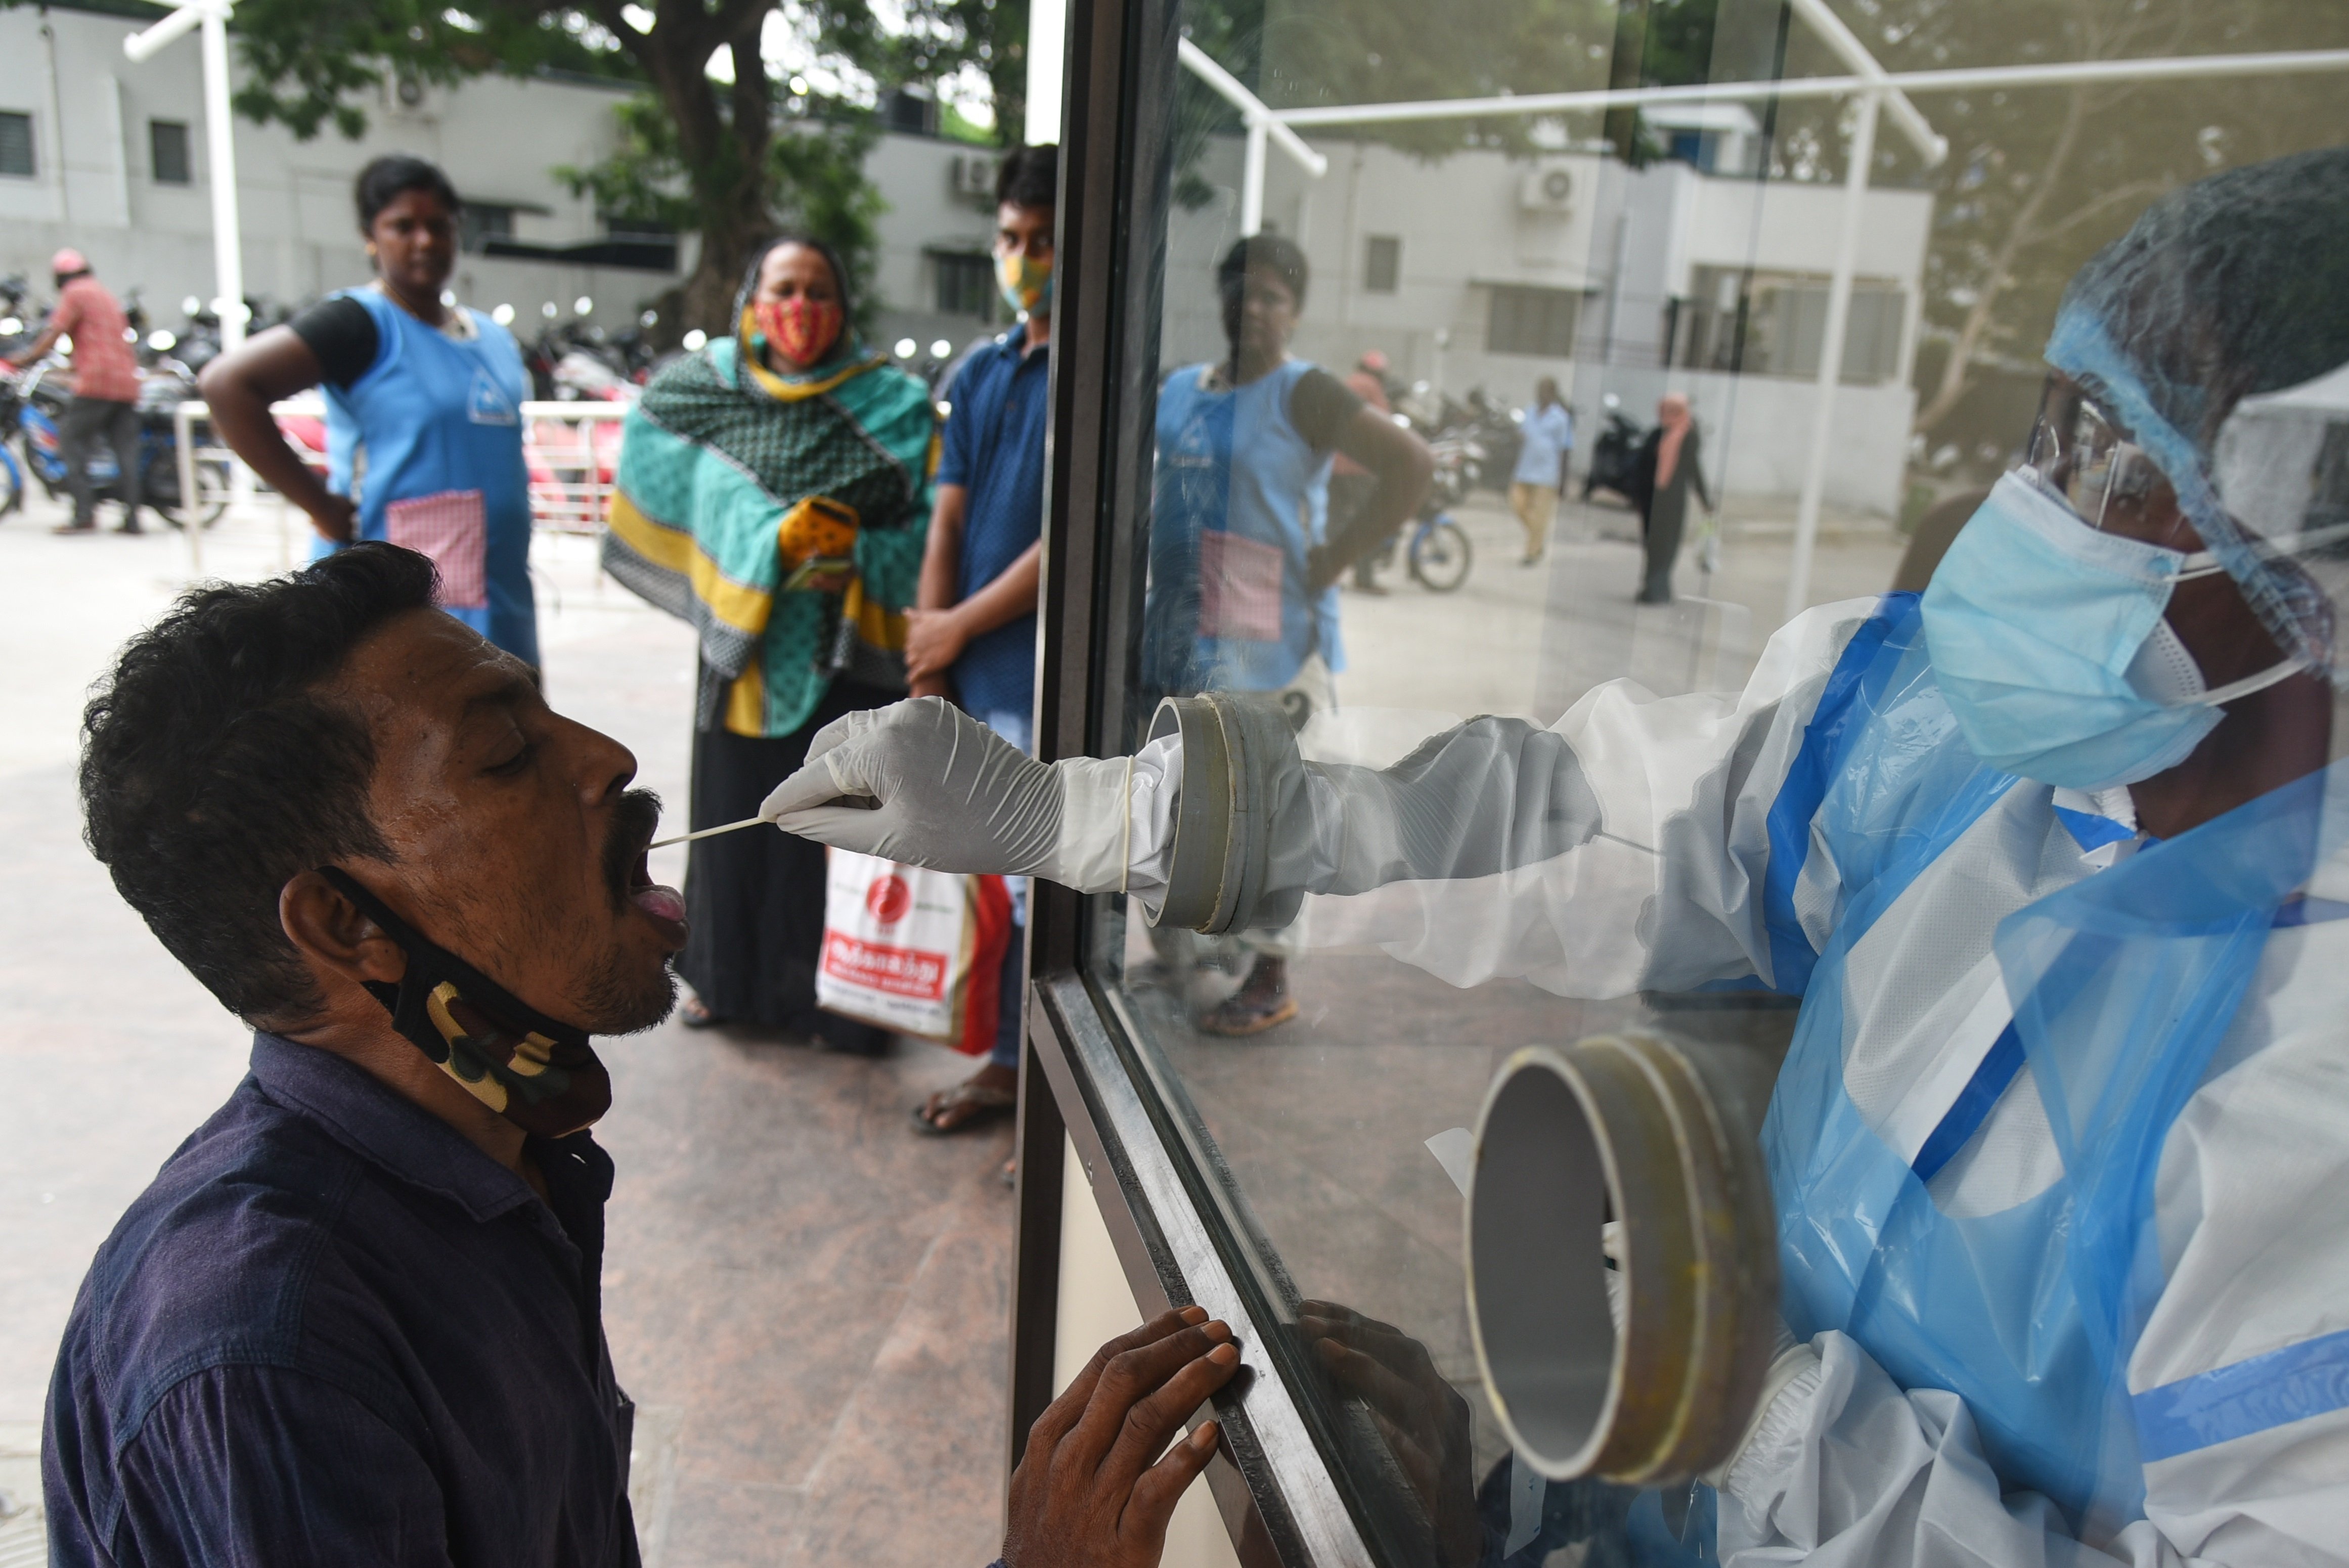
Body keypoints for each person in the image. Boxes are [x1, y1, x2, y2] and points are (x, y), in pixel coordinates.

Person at [762, 147, 2349, 1562]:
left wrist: (1773, 1426)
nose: (2032, 505)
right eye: (2047, 425)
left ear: (2318, 565)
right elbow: (1577, 826)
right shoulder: (1948, 747)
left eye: (2124, 467)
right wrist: (1094, 820)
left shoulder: (2313, 1090)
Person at [45, 541, 1240, 1567]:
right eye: (507, 758)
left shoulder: (492, 1168)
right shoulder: (276, 1358)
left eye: (545, 709)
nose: (608, 756)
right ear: (347, 925)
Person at [602, 235, 932, 1051]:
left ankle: (849, 1001)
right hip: (740, 650)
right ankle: (728, 982)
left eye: (821, 293)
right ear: (752, 303)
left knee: (845, 823)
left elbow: (929, 526)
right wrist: (769, 540)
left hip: (856, 651)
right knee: (738, 825)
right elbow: (669, 479)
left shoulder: (893, 403)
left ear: (846, 310)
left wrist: (857, 552)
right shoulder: (704, 393)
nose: (802, 310)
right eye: (784, 289)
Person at [1140, 234, 1431, 1036]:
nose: (1254, 307)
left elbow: (1411, 464)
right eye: (1242, 290)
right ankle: (1189, 954)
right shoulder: (1179, 391)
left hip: (1268, 641)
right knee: (1175, 797)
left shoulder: (1305, 393)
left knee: (1264, 813)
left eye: (1272, 295)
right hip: (1176, 626)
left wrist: (1334, 558)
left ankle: (1270, 971)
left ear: (1293, 312)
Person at [201, 156, 541, 664]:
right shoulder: (360, 324)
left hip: (502, 591)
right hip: (399, 601)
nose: (424, 240)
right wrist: (322, 506)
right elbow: (228, 386)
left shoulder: (491, 338)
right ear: (370, 235)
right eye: (403, 226)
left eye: (439, 226)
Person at [900, 145, 1059, 1135]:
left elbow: (1067, 541)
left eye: (1044, 240)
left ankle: (1054, 1099)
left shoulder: (1099, 376)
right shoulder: (983, 369)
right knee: (1000, 883)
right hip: (975, 671)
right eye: (1011, 237)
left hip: (1050, 674)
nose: (1023, 256)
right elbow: (946, 521)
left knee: (1051, 891)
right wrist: (930, 644)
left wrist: (957, 622)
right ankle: (1006, 1064)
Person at [6, 249, 143, 535]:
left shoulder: (75, 293)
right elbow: (98, 340)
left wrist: (27, 357)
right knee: (126, 453)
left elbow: (55, 331)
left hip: (96, 382)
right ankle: (132, 519)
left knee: (69, 440)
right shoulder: (104, 294)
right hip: (126, 382)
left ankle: (83, 514)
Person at [1630, 391, 1712, 604]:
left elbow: (1693, 469)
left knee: (1666, 546)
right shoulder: (1659, 434)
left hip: (1671, 502)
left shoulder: (1687, 435)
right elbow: (1643, 468)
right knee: (1655, 546)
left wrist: (1705, 499)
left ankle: (1657, 589)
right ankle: (1653, 589)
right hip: (1654, 501)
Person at [1334, 350, 1397, 592]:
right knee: (1369, 522)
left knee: (1334, 522)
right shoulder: (1373, 388)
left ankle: (1331, 577)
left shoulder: (1347, 382)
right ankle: (1364, 578)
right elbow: (1384, 423)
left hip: (1334, 465)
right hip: (1360, 468)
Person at [1509, 376, 1573, 566]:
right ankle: (1538, 540)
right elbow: (1522, 436)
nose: (1541, 394)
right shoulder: (1530, 411)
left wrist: (1564, 480)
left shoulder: (1561, 417)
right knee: (1517, 506)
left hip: (1546, 474)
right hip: (1524, 470)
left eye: (1545, 390)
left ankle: (1532, 552)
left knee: (1540, 515)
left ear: (1553, 393)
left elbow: (1566, 449)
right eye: (1539, 390)